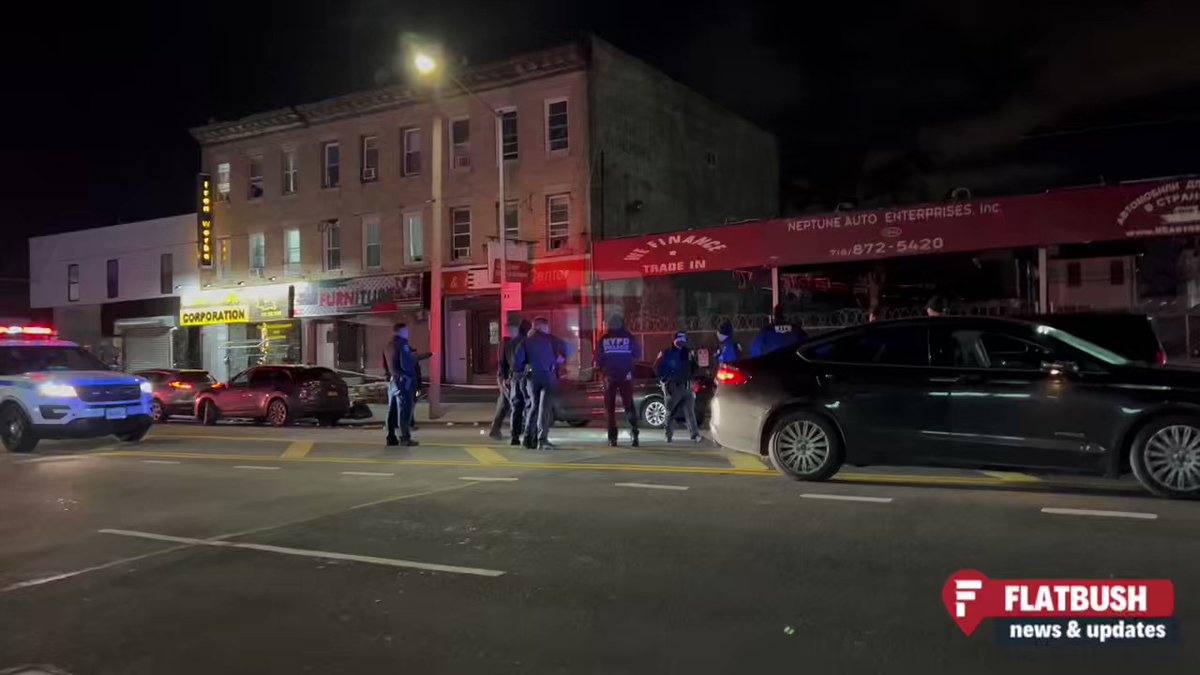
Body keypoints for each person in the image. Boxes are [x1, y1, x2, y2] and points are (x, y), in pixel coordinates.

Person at [514, 317, 573, 450]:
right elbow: (569, 350)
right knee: (544, 409)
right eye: (546, 327)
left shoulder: (525, 342)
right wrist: (558, 361)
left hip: (532, 378)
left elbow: (517, 364)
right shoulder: (551, 339)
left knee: (533, 407)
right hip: (548, 377)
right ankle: (542, 440)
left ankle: (528, 440)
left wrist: (527, 367)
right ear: (543, 327)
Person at [596, 314, 641, 447]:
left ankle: (612, 438)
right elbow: (637, 354)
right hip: (626, 375)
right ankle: (634, 434)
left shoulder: (604, 339)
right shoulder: (628, 337)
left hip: (609, 376)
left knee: (610, 409)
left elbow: (599, 360)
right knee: (629, 405)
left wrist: (603, 372)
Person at [654, 331, 701, 443]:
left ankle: (695, 435)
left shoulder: (688, 353)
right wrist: (665, 379)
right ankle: (668, 435)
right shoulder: (667, 353)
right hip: (673, 387)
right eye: (679, 340)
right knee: (670, 412)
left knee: (690, 412)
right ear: (674, 340)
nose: (681, 342)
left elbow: (695, 368)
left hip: (687, 387)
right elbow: (657, 369)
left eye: (683, 340)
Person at [488, 319, 530, 442]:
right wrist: (504, 378)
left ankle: (496, 430)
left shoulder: (510, 342)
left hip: (507, 378)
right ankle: (513, 431)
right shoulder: (507, 343)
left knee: (505, 403)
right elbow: (503, 363)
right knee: (514, 404)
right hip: (507, 378)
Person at [385, 322, 419, 447]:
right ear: (401, 331)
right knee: (404, 410)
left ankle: (391, 437)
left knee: (392, 410)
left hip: (392, 381)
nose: (407, 333)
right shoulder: (403, 345)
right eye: (406, 331)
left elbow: (385, 365)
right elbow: (406, 364)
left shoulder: (388, 346)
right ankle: (405, 437)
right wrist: (413, 360)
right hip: (403, 381)